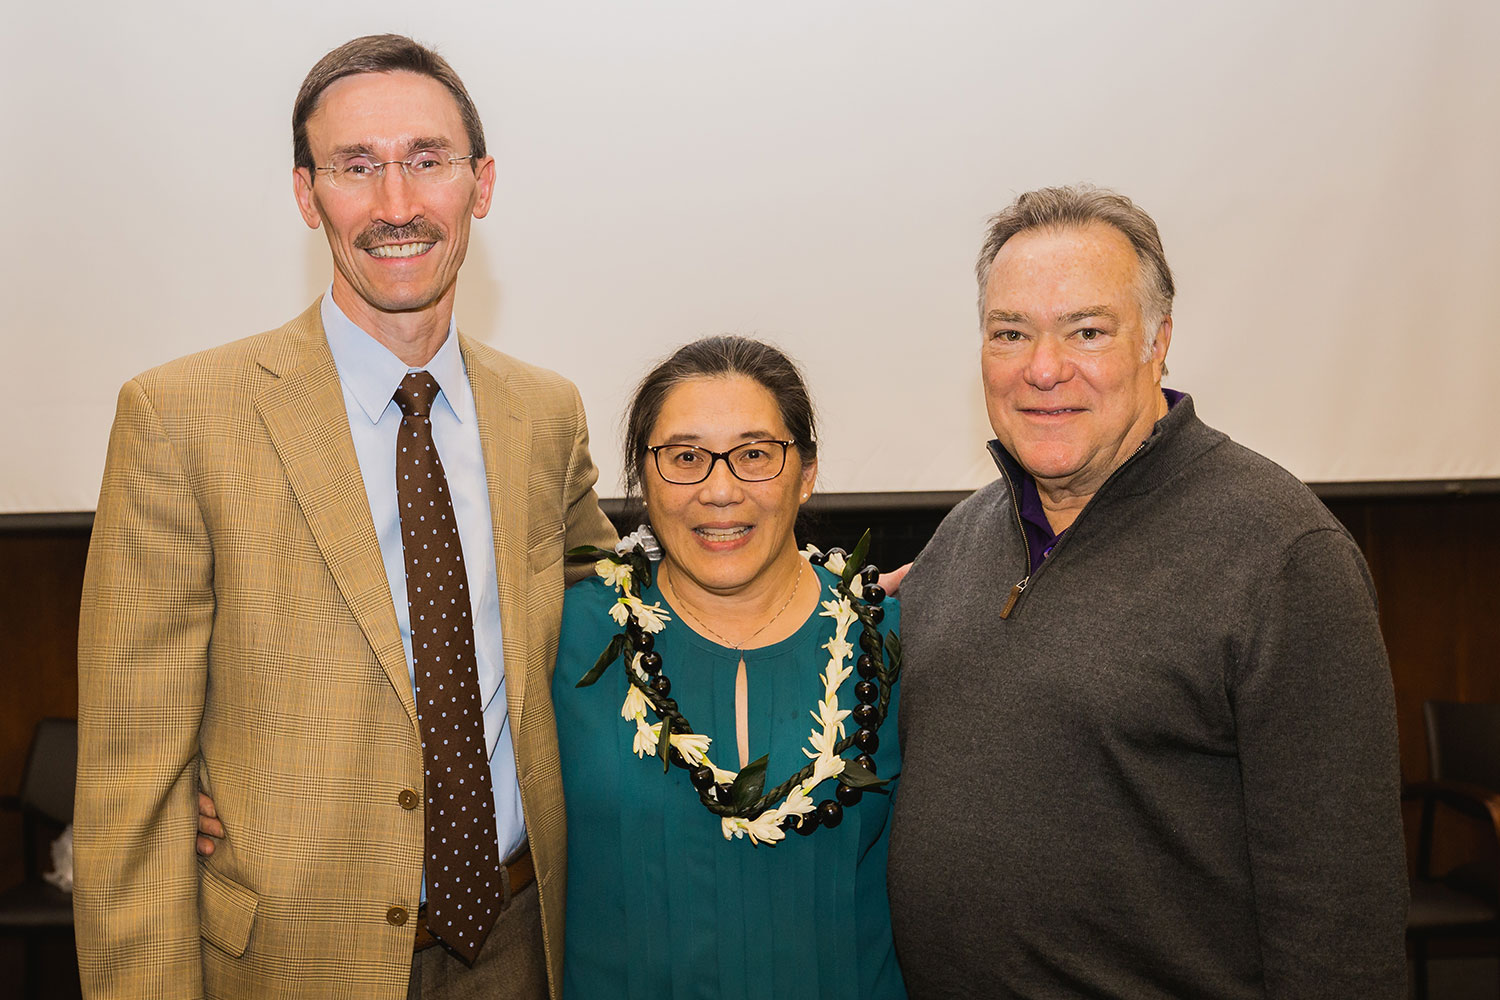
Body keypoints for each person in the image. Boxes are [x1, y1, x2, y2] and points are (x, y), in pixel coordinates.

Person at [74, 35, 615, 1000]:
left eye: (426, 160)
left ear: (480, 184)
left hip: (525, 944)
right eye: (355, 167)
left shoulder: (546, 414)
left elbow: (617, 615)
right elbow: (131, 788)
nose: (396, 205)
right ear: (305, 194)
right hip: (290, 962)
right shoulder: (178, 418)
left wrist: (832, 602)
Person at [887, 185, 1407, 999]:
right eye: (1010, 333)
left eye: (1087, 331)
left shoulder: (1283, 558)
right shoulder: (962, 539)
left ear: (1157, 342)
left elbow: (1341, 917)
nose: (1043, 368)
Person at [551, 337, 907, 999]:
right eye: (685, 457)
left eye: (754, 455)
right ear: (643, 475)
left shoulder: (885, 645)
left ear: (806, 473)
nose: (720, 490)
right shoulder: (564, 637)